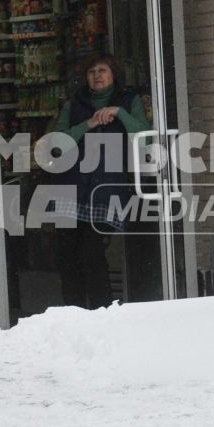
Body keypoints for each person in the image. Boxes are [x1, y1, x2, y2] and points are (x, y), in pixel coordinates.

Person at [53, 54, 149, 309]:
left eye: (102, 70)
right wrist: (88, 124)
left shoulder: (129, 101)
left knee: (92, 254)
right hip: (71, 190)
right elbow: (57, 145)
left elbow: (145, 139)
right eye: (92, 71)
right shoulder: (74, 105)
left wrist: (119, 113)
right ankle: (72, 313)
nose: (97, 75)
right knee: (68, 257)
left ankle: (101, 311)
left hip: (107, 191)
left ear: (113, 74)